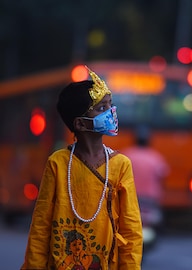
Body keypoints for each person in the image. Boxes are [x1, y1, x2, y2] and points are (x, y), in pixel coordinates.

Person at [21, 66, 143, 270]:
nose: (111, 113)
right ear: (80, 123)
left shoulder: (121, 165)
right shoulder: (58, 163)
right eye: (101, 108)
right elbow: (41, 226)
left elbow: (131, 230)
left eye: (110, 106)